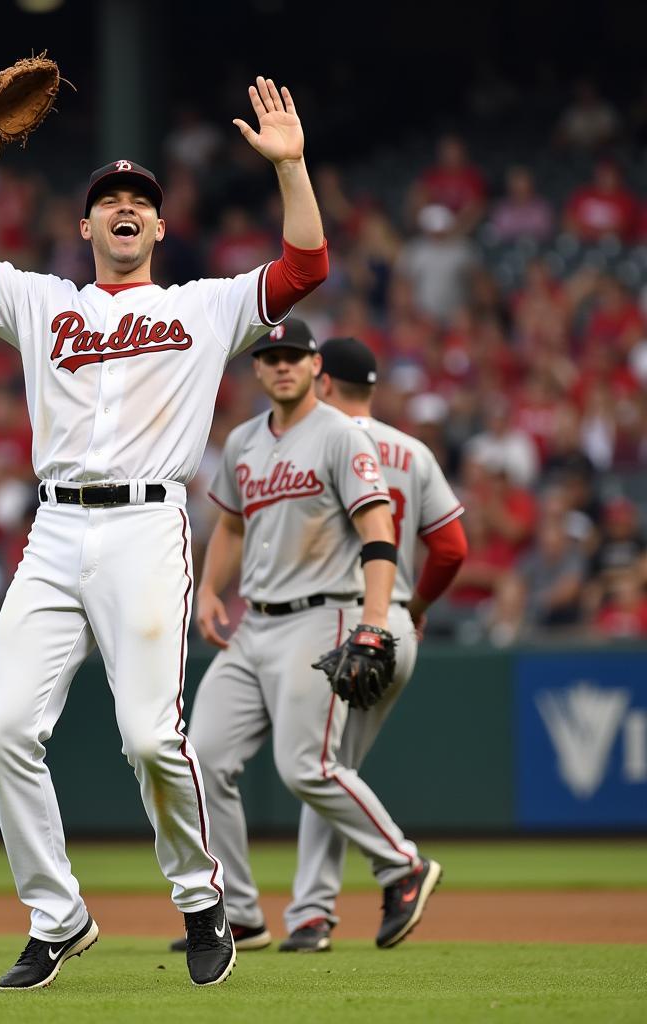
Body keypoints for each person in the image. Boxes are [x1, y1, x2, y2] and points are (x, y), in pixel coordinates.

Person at [0, 74, 329, 989]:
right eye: (109, 201)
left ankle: (198, 899)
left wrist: (292, 168)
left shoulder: (201, 307)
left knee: (149, 738)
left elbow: (305, 271)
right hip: (55, 532)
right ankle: (57, 914)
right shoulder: (42, 304)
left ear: (159, 226)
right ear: (87, 228)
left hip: (148, 527)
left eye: (140, 200)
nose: (125, 209)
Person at [170, 323, 447, 959]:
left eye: (293, 355)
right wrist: (211, 591)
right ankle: (239, 913)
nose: (282, 365)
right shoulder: (242, 440)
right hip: (256, 623)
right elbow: (231, 528)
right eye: (270, 357)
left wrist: (375, 621)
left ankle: (402, 864)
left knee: (307, 767)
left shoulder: (340, 434)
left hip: (323, 617)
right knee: (200, 758)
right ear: (258, 370)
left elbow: (378, 530)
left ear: (314, 365)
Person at [284, 335, 467, 951]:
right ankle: (312, 912)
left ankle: (372, 883)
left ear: (324, 381)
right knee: (333, 769)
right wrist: (412, 608)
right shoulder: (411, 451)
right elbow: (452, 548)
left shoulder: (321, 440)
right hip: (394, 625)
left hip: (343, 620)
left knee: (320, 766)